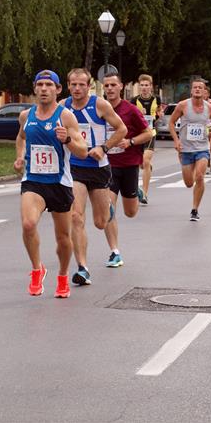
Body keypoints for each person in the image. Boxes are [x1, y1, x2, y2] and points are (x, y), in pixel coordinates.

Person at [13, 70, 87, 299]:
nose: (44, 88)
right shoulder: (26, 116)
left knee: (63, 238)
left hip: (59, 183)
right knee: (28, 224)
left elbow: (83, 151)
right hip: (33, 181)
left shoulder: (66, 117)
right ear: (35, 88)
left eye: (49, 85)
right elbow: (21, 137)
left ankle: (63, 275)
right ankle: (37, 269)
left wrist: (66, 139)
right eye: (40, 84)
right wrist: (19, 156)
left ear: (57, 90)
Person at [61, 68, 127, 286]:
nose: (77, 88)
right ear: (68, 85)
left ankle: (107, 209)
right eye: (73, 84)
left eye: (81, 84)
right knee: (76, 217)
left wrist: (104, 147)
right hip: (75, 167)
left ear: (88, 86)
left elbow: (121, 129)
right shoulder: (63, 107)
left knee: (100, 222)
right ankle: (83, 268)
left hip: (98, 167)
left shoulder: (99, 105)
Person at [102, 73, 153, 266]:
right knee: (108, 206)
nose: (109, 89)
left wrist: (130, 142)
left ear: (121, 86)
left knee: (130, 212)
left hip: (129, 164)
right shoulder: (99, 109)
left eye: (113, 85)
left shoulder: (130, 110)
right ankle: (115, 251)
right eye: (106, 85)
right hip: (107, 166)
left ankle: (136, 192)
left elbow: (148, 133)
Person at [169, 78, 211, 221]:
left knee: (199, 176)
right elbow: (171, 123)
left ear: (205, 91)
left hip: (202, 148)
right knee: (189, 183)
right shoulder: (182, 105)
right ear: (191, 90)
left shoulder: (210, 108)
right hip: (186, 149)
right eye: (195, 87)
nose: (197, 89)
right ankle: (183, 161)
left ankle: (195, 209)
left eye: (200, 87)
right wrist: (176, 140)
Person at [130, 74, 163, 205]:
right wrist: (139, 114)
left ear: (151, 86)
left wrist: (159, 115)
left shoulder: (157, 99)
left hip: (150, 133)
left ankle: (144, 193)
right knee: (142, 164)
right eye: (142, 85)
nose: (144, 88)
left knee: (145, 160)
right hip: (138, 135)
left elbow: (159, 112)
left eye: (146, 85)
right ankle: (148, 167)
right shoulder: (134, 100)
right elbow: (130, 118)